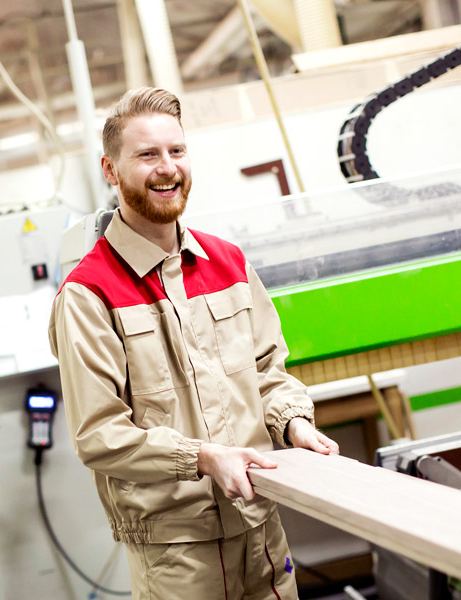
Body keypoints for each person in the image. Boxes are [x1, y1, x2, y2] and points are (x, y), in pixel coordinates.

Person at [48, 87, 339, 600]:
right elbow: (98, 434)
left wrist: (293, 423)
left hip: (262, 529)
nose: (167, 168)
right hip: (177, 553)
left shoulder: (227, 262)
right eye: (147, 154)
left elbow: (268, 371)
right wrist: (202, 458)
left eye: (176, 151)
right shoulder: (89, 294)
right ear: (111, 171)